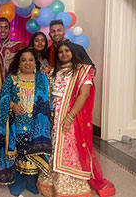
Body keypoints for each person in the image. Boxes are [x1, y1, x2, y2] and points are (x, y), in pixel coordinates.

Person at [37, 42, 115, 197]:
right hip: (54, 116)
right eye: (60, 52)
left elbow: (84, 94)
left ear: (74, 52)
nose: (64, 54)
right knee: (55, 146)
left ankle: (68, 185)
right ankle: (53, 180)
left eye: (67, 51)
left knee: (69, 148)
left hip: (70, 117)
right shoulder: (58, 72)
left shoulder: (83, 70)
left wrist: (70, 116)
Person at [0, 48, 52, 197]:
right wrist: (12, 105)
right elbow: (1, 96)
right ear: (18, 63)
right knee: (19, 153)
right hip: (16, 125)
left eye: (31, 60)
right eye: (23, 60)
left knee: (32, 152)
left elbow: (48, 100)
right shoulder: (12, 78)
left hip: (36, 125)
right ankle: (17, 182)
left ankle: (31, 182)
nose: (27, 63)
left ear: (35, 62)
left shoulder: (42, 78)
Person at [0, 17, 26, 143]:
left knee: (18, 127)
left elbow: (26, 71)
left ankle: (18, 155)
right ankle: (4, 156)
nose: (2, 30)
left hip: (17, 95)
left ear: (10, 29)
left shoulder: (19, 47)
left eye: (5, 27)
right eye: (0, 28)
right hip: (0, 96)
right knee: (3, 129)